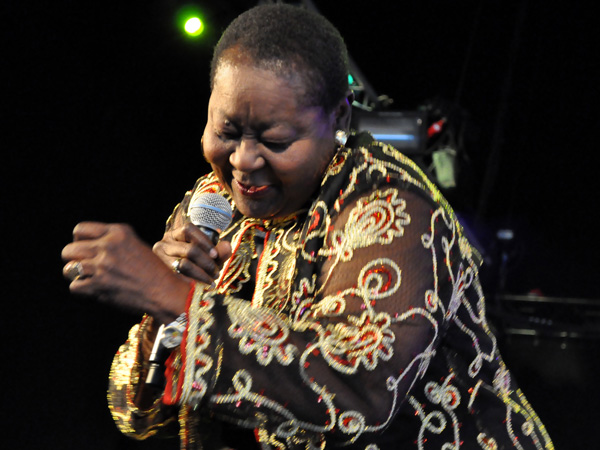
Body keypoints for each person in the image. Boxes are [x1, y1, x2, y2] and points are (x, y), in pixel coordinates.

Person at [62, 4, 553, 450]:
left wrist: (177, 299)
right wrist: (161, 315)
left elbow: (359, 392)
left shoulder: (389, 206)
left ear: (338, 116)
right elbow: (137, 415)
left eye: (274, 139)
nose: (243, 160)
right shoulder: (212, 202)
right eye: (226, 131)